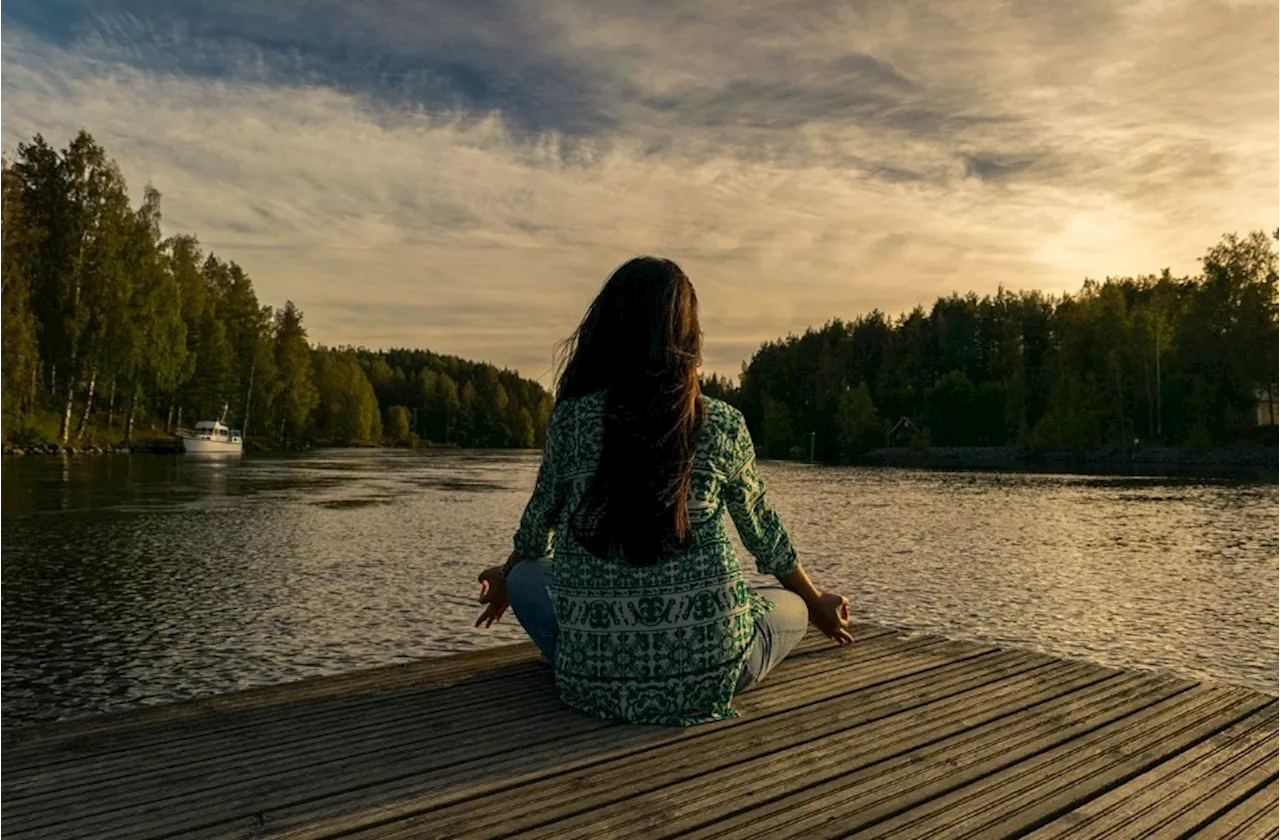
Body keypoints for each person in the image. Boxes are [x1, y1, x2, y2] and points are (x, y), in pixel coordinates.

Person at [474, 256, 853, 726]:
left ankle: (595, 655)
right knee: (790, 604)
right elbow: (764, 535)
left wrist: (508, 576)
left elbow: (537, 527)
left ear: (607, 330)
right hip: (712, 673)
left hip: (590, 683)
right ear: (688, 337)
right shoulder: (722, 423)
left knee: (529, 575)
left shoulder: (571, 421)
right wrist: (816, 603)